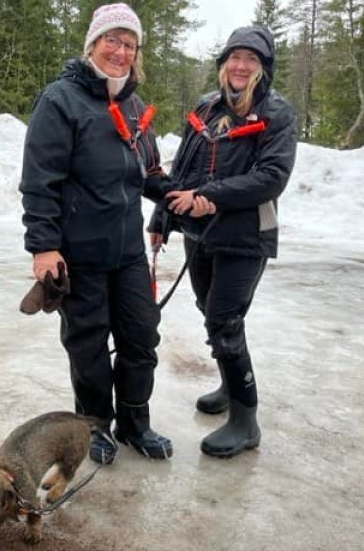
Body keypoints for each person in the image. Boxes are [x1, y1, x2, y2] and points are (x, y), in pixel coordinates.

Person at [20, 3, 177, 464]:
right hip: (79, 254)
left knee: (141, 336)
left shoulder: (131, 104)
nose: (121, 51)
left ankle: (134, 422)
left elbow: (146, 172)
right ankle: (93, 427)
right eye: (112, 40)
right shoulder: (60, 100)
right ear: (93, 44)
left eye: (130, 44)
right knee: (88, 344)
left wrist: (182, 198)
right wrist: (44, 247)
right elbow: (39, 179)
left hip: (127, 250)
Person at [149, 26, 297, 458]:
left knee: (224, 319)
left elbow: (271, 178)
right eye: (234, 57)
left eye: (251, 58)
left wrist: (208, 198)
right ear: (223, 64)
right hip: (199, 233)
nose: (240, 65)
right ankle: (230, 385)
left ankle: (245, 420)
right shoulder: (206, 107)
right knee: (210, 312)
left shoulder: (276, 112)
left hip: (246, 235)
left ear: (263, 66)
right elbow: (186, 167)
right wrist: (164, 214)